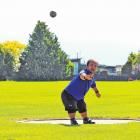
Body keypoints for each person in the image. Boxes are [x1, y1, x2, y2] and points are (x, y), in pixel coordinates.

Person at [61, 59, 101, 125]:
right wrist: (85, 77)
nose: (93, 67)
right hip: (68, 94)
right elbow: (82, 75)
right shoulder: (84, 72)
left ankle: (86, 120)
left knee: (82, 107)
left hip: (79, 96)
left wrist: (97, 92)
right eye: (91, 65)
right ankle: (73, 120)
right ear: (87, 66)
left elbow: (93, 85)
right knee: (72, 108)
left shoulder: (92, 77)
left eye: (95, 66)